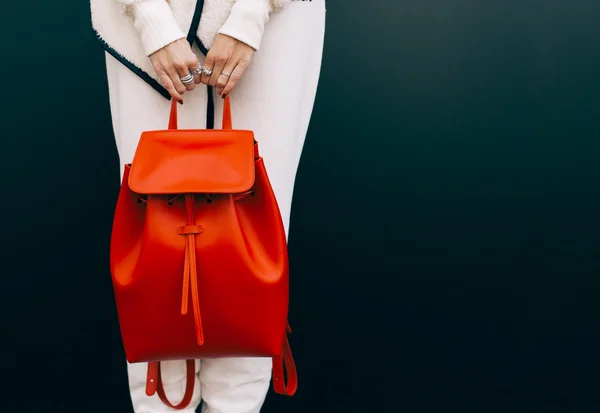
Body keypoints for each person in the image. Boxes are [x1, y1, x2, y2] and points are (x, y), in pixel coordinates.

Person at [90, 0, 326, 412]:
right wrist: (150, 17)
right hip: (139, 19)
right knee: (155, 250)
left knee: (251, 246)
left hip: (277, 23)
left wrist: (253, 13)